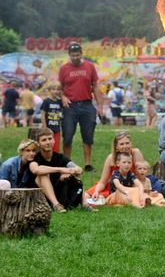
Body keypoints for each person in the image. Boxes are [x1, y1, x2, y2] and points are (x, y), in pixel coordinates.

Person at [59, 42, 103, 172]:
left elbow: (95, 86)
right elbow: (59, 87)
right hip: (70, 106)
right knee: (67, 136)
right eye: (73, 55)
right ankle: (67, 163)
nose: (75, 57)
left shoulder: (89, 66)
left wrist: (99, 105)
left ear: (81, 54)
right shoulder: (64, 68)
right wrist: (63, 97)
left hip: (87, 104)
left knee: (88, 136)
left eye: (77, 55)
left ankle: (88, 164)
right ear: (69, 55)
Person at [28, 128, 95, 212]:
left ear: (54, 141)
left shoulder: (60, 157)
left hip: (59, 191)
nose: (48, 142)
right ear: (38, 144)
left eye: (50, 139)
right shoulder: (35, 158)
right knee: (43, 175)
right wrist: (62, 170)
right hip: (40, 196)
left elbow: (79, 169)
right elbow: (36, 170)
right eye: (44, 140)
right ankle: (56, 205)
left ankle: (85, 204)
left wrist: (71, 172)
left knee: (75, 175)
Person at [85, 131, 145, 203]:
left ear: (131, 143)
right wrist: (97, 191)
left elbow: (143, 175)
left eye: (127, 143)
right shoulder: (111, 158)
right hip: (111, 186)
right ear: (116, 146)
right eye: (122, 144)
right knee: (86, 196)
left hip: (131, 185)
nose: (125, 146)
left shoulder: (135, 153)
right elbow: (103, 182)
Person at [41, 81, 63, 153]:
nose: (55, 91)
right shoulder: (46, 101)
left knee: (56, 148)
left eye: (57, 89)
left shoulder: (59, 101)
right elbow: (43, 114)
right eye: (53, 89)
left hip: (57, 129)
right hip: (48, 129)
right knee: (47, 148)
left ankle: (55, 163)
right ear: (49, 90)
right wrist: (45, 127)